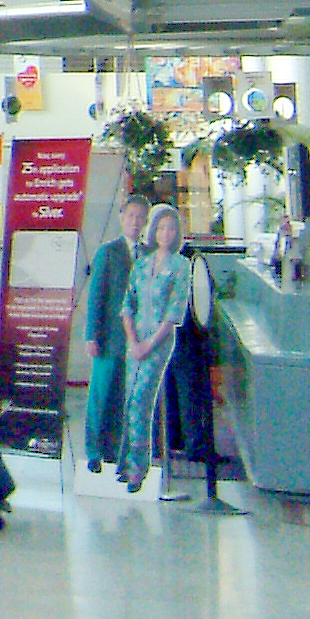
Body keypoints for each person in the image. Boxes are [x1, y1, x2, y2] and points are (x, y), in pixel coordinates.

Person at [123, 204, 213, 500]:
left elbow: (174, 313)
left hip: (159, 343)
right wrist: (133, 340)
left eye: (171, 229)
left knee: (141, 402)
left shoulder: (181, 266)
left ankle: (139, 468)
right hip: (135, 340)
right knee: (128, 402)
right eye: (160, 228)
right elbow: (128, 304)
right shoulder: (141, 264)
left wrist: (148, 344)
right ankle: (127, 464)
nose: (165, 233)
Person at [80, 195, 144, 482]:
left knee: (124, 399)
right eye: (131, 216)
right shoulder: (109, 252)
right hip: (108, 338)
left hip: (136, 341)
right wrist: (91, 334)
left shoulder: (148, 254)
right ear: (122, 217)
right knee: (100, 396)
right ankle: (93, 453)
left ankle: (115, 453)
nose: (135, 222)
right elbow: (97, 296)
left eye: (140, 217)